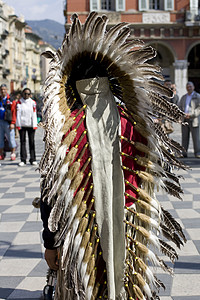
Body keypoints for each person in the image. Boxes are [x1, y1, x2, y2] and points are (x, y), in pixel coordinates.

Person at [39, 12, 186, 300]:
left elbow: (51, 192)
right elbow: (148, 175)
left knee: (84, 288)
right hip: (129, 224)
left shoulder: (67, 128)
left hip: (80, 230)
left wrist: (51, 241)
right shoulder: (134, 122)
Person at [178, 81, 200, 158]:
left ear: (193, 87)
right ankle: (184, 153)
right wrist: (182, 114)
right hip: (185, 119)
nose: (189, 88)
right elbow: (179, 106)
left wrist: (192, 114)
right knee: (184, 137)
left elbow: (199, 108)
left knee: (196, 137)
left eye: (190, 86)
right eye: (187, 87)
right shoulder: (184, 97)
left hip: (194, 120)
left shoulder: (197, 96)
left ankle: (197, 153)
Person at [16, 88, 37, 166]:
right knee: (22, 142)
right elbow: (18, 114)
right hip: (22, 125)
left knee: (32, 142)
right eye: (25, 94)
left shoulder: (33, 103)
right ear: (22, 94)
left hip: (31, 125)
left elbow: (34, 114)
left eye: (28, 94)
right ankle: (23, 159)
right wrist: (18, 125)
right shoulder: (19, 102)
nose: (26, 95)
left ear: (30, 95)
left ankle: (33, 159)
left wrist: (35, 125)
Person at [0, 84, 16, 160]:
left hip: (8, 122)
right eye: (1, 89)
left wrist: (13, 122)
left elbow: (13, 111)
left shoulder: (10, 100)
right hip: (0, 121)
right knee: (0, 139)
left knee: (11, 138)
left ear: (7, 90)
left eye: (4, 89)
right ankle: (1, 153)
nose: (3, 91)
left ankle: (13, 153)